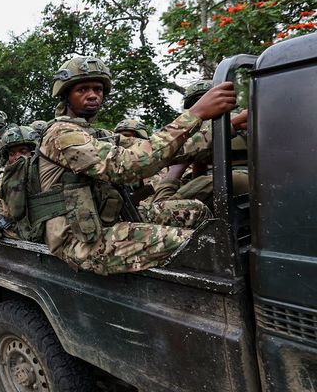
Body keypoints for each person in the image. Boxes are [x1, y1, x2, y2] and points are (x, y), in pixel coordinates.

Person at [38, 55, 237, 275]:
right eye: (82, 90)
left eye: (98, 89)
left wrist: (231, 127)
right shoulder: (61, 134)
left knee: (195, 211)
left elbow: (165, 149)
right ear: (66, 95)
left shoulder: (97, 134)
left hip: (107, 220)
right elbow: (128, 165)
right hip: (80, 242)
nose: (93, 95)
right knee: (200, 243)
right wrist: (195, 114)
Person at [0, 126, 38, 240]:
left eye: (23, 151)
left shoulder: (44, 174)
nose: (17, 157)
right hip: (15, 236)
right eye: (12, 153)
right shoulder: (2, 180)